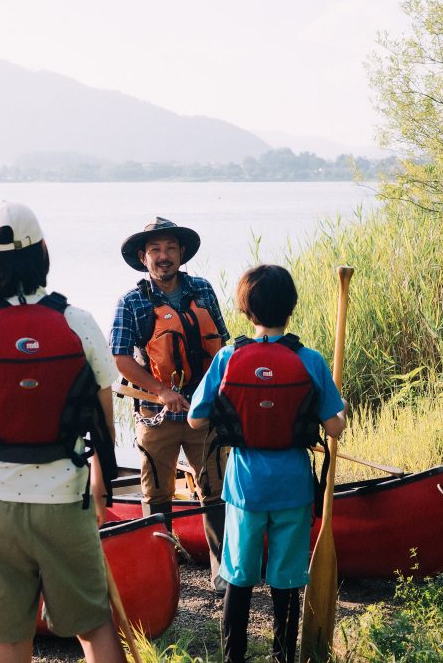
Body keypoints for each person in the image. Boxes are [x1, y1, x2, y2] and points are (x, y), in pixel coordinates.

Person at [0, 200, 123, 663]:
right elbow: (103, 427)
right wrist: (101, 487)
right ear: (42, 251)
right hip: (64, 501)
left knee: (11, 637)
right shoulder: (77, 322)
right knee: (94, 626)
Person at [187, 264, 346, 663]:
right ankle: (281, 657)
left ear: (246, 310)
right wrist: (340, 409)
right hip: (292, 485)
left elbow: (196, 418)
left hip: (244, 485)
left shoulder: (228, 356)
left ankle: (233, 658)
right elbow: (334, 426)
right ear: (291, 307)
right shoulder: (310, 360)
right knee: (286, 579)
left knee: (238, 577)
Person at [109, 217, 230, 589]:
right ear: (143, 257)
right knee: (157, 494)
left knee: (214, 488)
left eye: (171, 249)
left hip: (203, 413)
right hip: (155, 417)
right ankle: (161, 574)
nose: (164, 257)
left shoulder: (202, 289)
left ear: (181, 254)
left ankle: (222, 573)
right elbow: (121, 358)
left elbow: (221, 346)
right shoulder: (131, 302)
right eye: (156, 250)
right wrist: (162, 391)